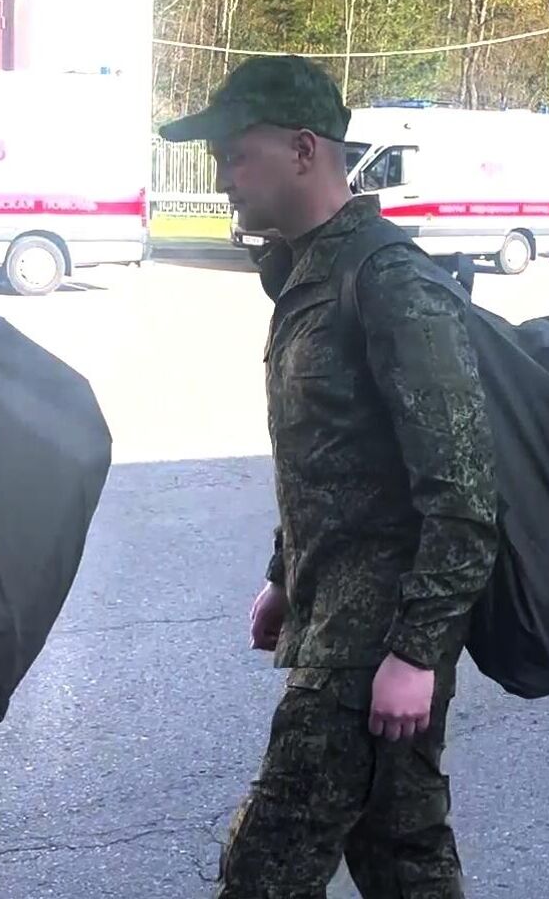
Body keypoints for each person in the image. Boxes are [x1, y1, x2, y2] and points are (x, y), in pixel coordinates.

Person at [159, 55, 499, 899]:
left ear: (304, 151)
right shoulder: (310, 271)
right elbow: (329, 456)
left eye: (236, 155)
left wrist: (416, 654)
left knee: (264, 873)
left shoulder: (390, 282)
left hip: (369, 644)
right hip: (337, 619)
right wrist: (285, 575)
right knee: (404, 858)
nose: (222, 177)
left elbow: (462, 493)